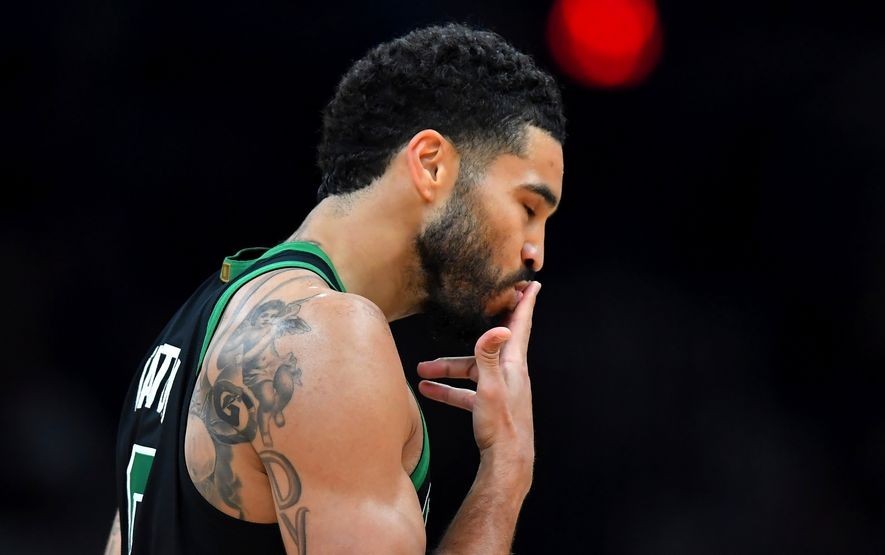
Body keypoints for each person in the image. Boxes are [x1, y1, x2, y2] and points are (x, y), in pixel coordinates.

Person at [106, 22, 566, 554]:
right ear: (431, 165)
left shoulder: (192, 326)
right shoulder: (326, 340)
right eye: (529, 208)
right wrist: (507, 470)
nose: (536, 252)